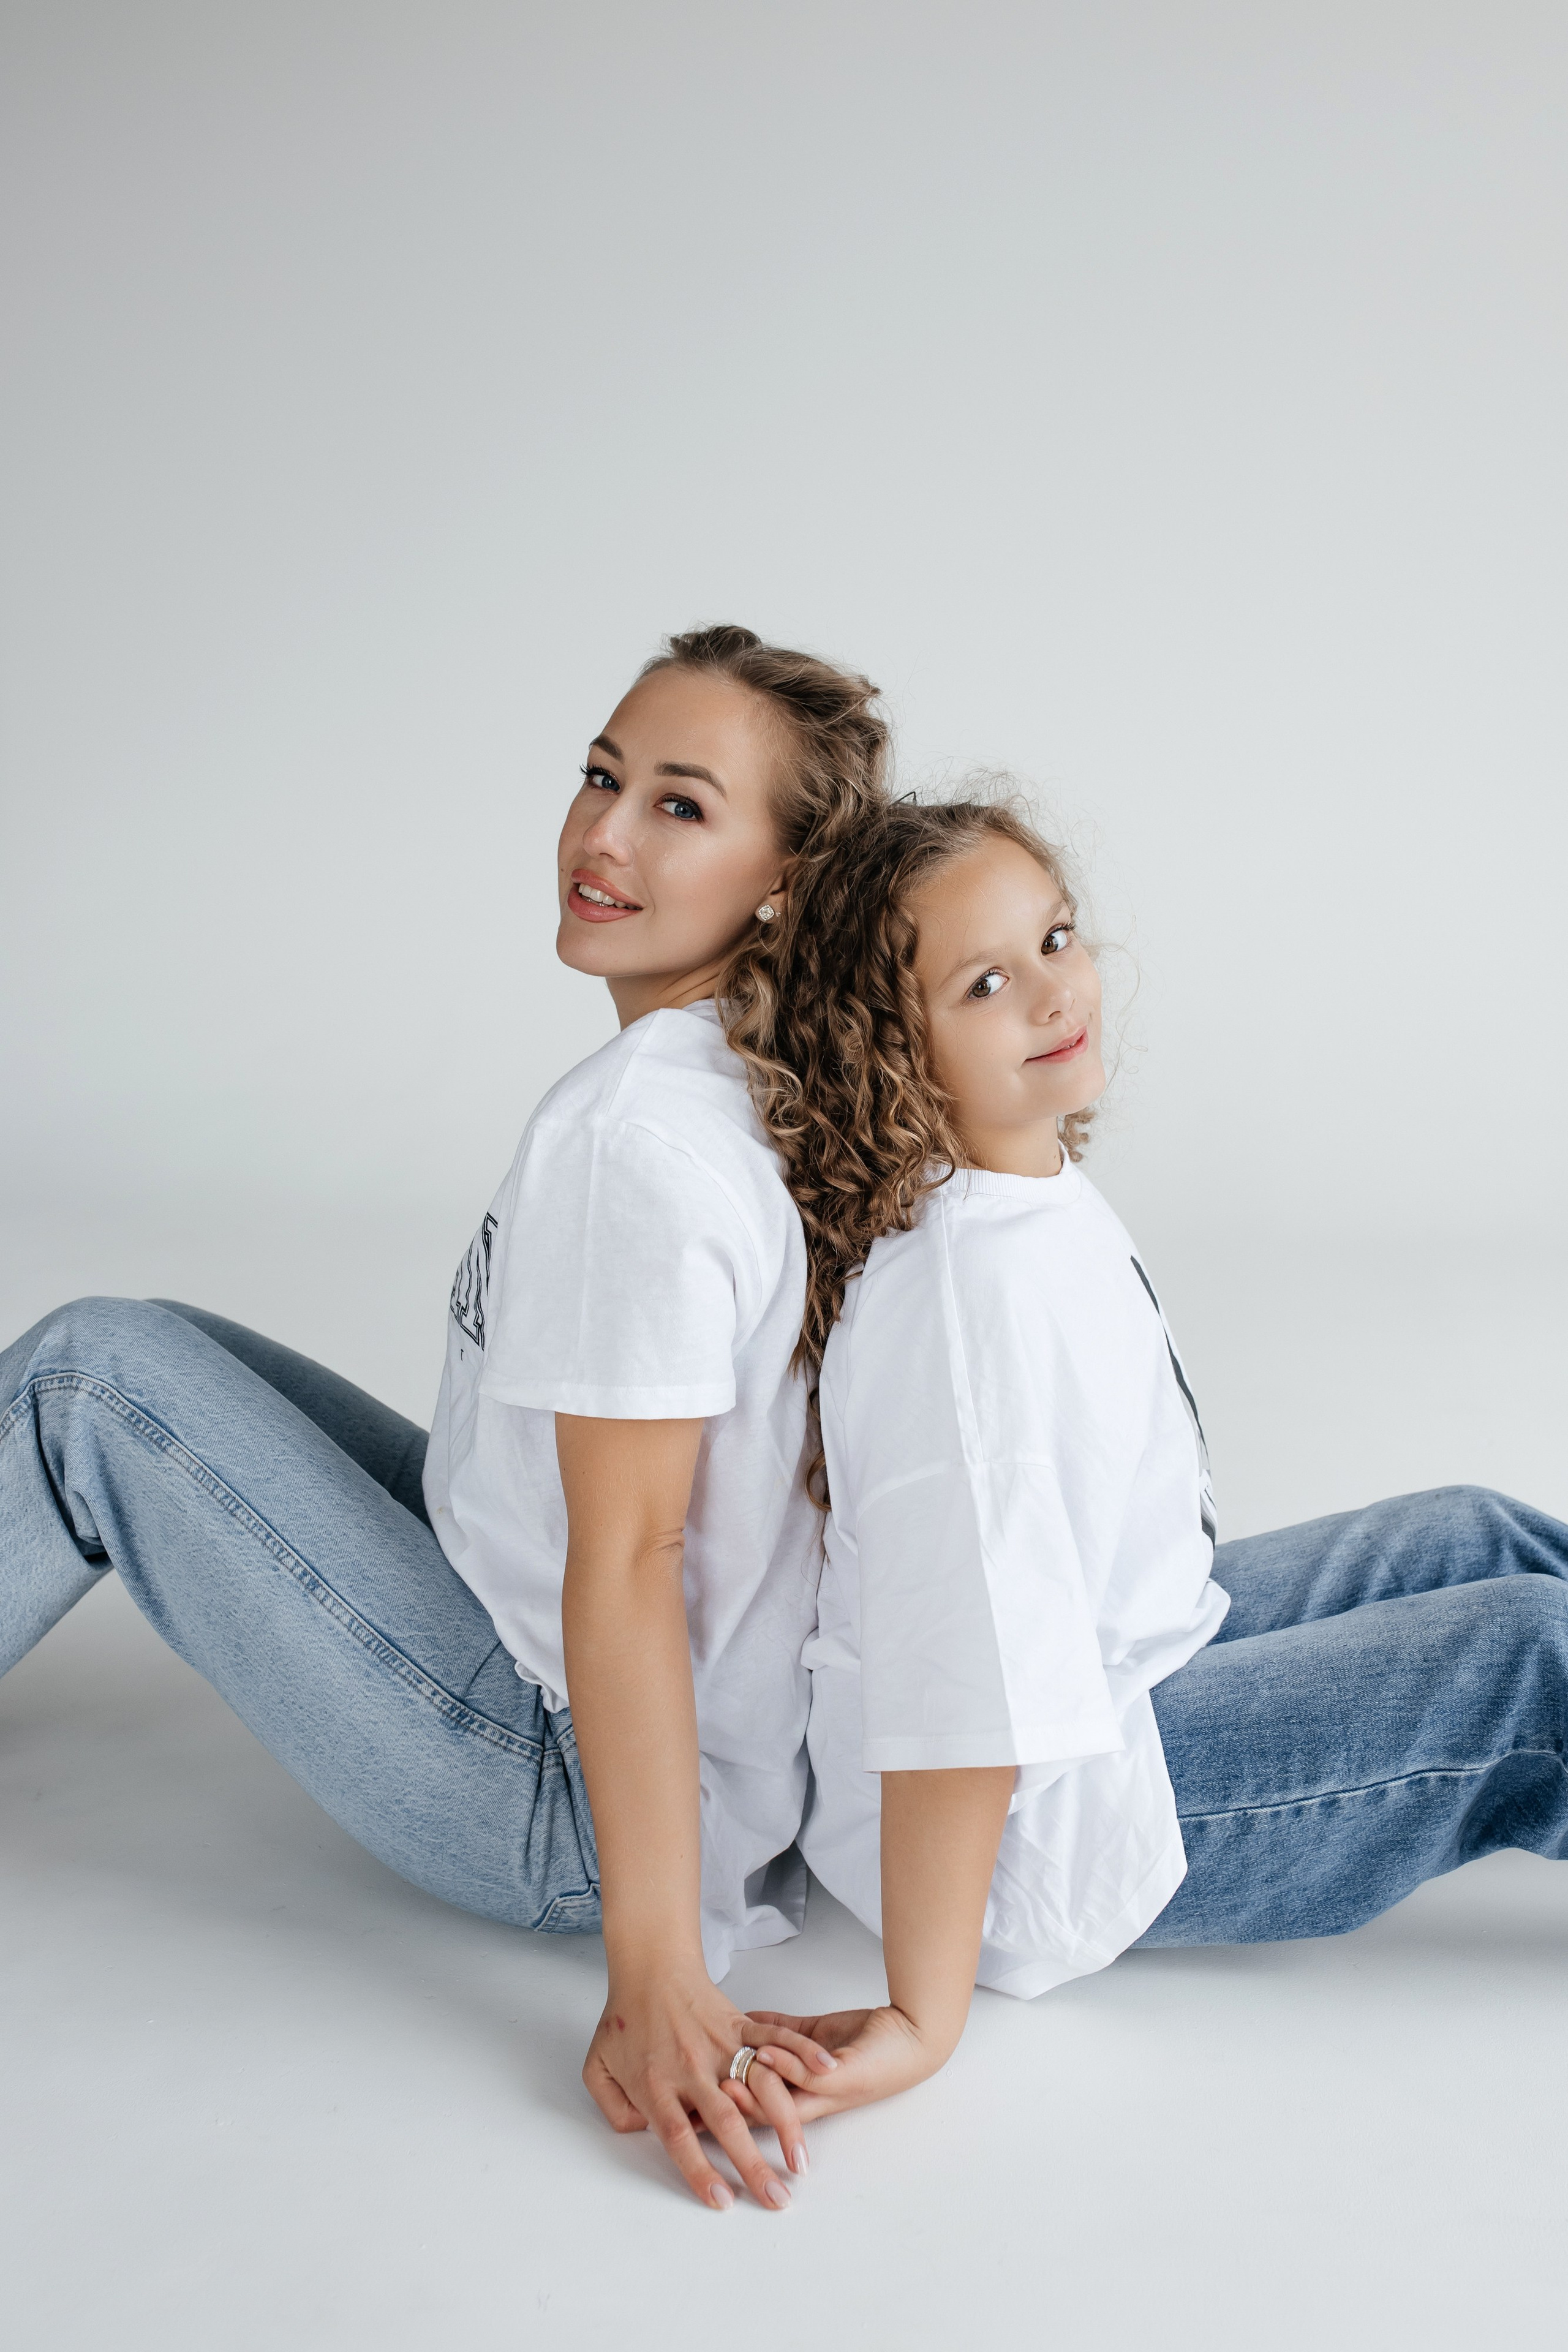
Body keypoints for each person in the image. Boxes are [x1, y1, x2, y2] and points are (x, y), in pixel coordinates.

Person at [0, 624, 890, 2214]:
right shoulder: (747, 1082)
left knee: (88, 1380)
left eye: (681, 806)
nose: (603, 835)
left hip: (544, 1792)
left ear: (785, 879)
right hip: (637, 1727)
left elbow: (631, 1555)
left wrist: (655, 1967)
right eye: (603, 776)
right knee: (167, 1349)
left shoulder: (637, 1140)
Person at [717, 794, 1568, 2136]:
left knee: (1476, 1534)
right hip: (1041, 1836)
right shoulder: (967, 1318)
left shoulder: (1010, 1181)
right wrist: (917, 2018)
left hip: (1122, 1663)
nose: (1054, 993)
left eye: (1054, 939)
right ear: (894, 1052)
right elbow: (962, 1691)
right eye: (985, 982)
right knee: (1528, 1653)